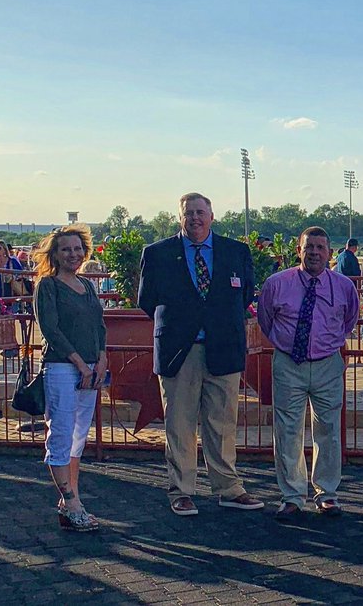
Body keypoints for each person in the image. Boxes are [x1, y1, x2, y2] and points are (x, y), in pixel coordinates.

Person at [137, 193, 263, 516]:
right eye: (188, 213)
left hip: (223, 347)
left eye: (200, 212)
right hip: (180, 351)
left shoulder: (237, 252)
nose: (195, 218)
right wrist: (184, 322)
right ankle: (181, 491)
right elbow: (146, 300)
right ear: (179, 217)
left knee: (222, 423)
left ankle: (229, 488)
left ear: (212, 215)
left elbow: (244, 294)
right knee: (179, 423)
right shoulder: (157, 254)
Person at [258, 227, 359, 520]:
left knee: (328, 430)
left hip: (328, 363)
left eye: (320, 247)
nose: (314, 252)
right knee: (287, 430)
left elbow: (349, 321)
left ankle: (327, 494)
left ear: (329, 252)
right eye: (308, 247)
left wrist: (327, 343)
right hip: (289, 363)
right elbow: (265, 319)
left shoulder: (343, 286)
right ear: (298, 251)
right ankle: (292, 496)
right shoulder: (277, 283)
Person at [33, 224, 107, 532]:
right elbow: (51, 330)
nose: (72, 254)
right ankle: (70, 499)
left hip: (91, 367)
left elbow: (98, 324)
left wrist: (101, 358)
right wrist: (80, 363)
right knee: (61, 433)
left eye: (77, 249)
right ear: (55, 253)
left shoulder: (87, 286)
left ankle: (71, 499)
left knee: (79, 436)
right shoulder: (48, 286)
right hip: (64, 368)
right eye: (66, 249)